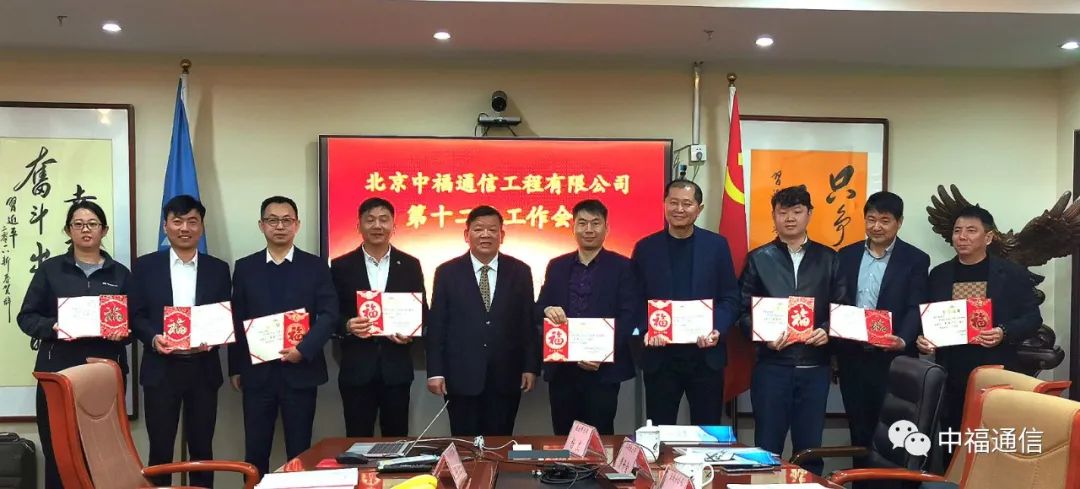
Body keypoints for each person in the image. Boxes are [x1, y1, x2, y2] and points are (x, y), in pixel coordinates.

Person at [18, 201, 131, 489]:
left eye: (92, 224)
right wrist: (53, 327)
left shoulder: (120, 274)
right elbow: (26, 317)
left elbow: (133, 323)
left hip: (104, 373)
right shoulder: (50, 270)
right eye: (78, 224)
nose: (85, 229)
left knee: (103, 450)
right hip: (58, 372)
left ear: (104, 230)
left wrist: (124, 333)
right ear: (68, 230)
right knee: (59, 449)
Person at [916, 206, 1041, 462]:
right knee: (954, 440)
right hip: (951, 371)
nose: (962, 237)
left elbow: (1033, 318)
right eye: (957, 231)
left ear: (988, 237)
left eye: (971, 231)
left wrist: (1004, 331)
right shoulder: (939, 275)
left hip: (996, 369)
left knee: (993, 441)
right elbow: (927, 318)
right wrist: (923, 339)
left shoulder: (1012, 273)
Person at [228, 196, 338, 476]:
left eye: (286, 220)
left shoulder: (315, 266)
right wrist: (235, 367)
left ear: (297, 225)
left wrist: (304, 349)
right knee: (255, 451)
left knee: (299, 452)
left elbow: (329, 314)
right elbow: (236, 319)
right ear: (261, 225)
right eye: (272, 220)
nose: (280, 226)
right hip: (257, 374)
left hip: (301, 372)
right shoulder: (245, 267)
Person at [738, 185, 844, 476]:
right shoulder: (759, 258)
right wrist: (764, 337)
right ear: (773, 216)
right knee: (766, 447)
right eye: (782, 212)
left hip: (814, 367)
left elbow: (842, 306)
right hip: (772, 366)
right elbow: (742, 311)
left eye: (797, 211)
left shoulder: (829, 258)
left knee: (810, 449)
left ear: (809, 214)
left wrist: (827, 330)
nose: (789, 218)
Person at [129, 195, 231, 488]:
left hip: (203, 368)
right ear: (166, 226)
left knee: (202, 448)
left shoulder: (218, 268)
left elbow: (224, 314)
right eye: (177, 221)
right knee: (160, 449)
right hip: (161, 368)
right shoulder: (146, 266)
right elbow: (136, 314)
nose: (184, 228)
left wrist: (214, 339)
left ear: (201, 226)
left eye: (192, 221)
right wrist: (153, 338)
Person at [631, 179, 740, 425]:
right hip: (660, 357)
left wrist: (717, 329)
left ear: (699, 209)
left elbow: (730, 297)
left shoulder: (716, 246)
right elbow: (634, 299)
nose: (679, 209)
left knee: (707, 431)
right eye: (673, 202)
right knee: (660, 430)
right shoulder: (646, 248)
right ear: (664, 204)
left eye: (687, 204)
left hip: (705, 356)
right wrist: (646, 330)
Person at [426, 205, 539, 436]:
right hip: (460, 376)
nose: (485, 235)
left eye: (492, 230)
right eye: (478, 229)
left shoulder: (520, 271)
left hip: (506, 375)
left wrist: (530, 367)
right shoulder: (447, 272)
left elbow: (527, 323)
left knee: (500, 441)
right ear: (466, 235)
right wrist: (435, 371)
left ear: (502, 235)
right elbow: (437, 325)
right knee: (464, 443)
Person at [835, 191, 930, 464]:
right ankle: (859, 480)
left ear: (899, 222)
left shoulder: (915, 259)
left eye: (885, 220)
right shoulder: (846, 255)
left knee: (895, 431)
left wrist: (903, 339)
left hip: (893, 358)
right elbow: (838, 302)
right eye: (871, 219)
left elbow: (915, 305)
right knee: (858, 430)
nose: (876, 226)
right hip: (853, 357)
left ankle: (890, 481)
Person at [537, 199, 638, 435]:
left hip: (602, 370)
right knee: (563, 437)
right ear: (573, 227)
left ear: (606, 228)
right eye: (582, 223)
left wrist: (601, 352)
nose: (589, 229)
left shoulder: (623, 266)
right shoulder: (557, 265)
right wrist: (547, 309)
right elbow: (539, 306)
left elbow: (629, 316)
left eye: (595, 223)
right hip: (562, 369)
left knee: (599, 438)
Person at [330, 197, 426, 437]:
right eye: (370, 220)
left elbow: (423, 312)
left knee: (396, 440)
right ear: (359, 226)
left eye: (384, 220)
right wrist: (347, 325)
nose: (377, 226)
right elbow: (329, 312)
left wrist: (410, 334)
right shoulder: (341, 266)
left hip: (396, 369)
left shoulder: (411, 265)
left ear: (394, 226)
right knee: (356, 440)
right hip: (356, 369)